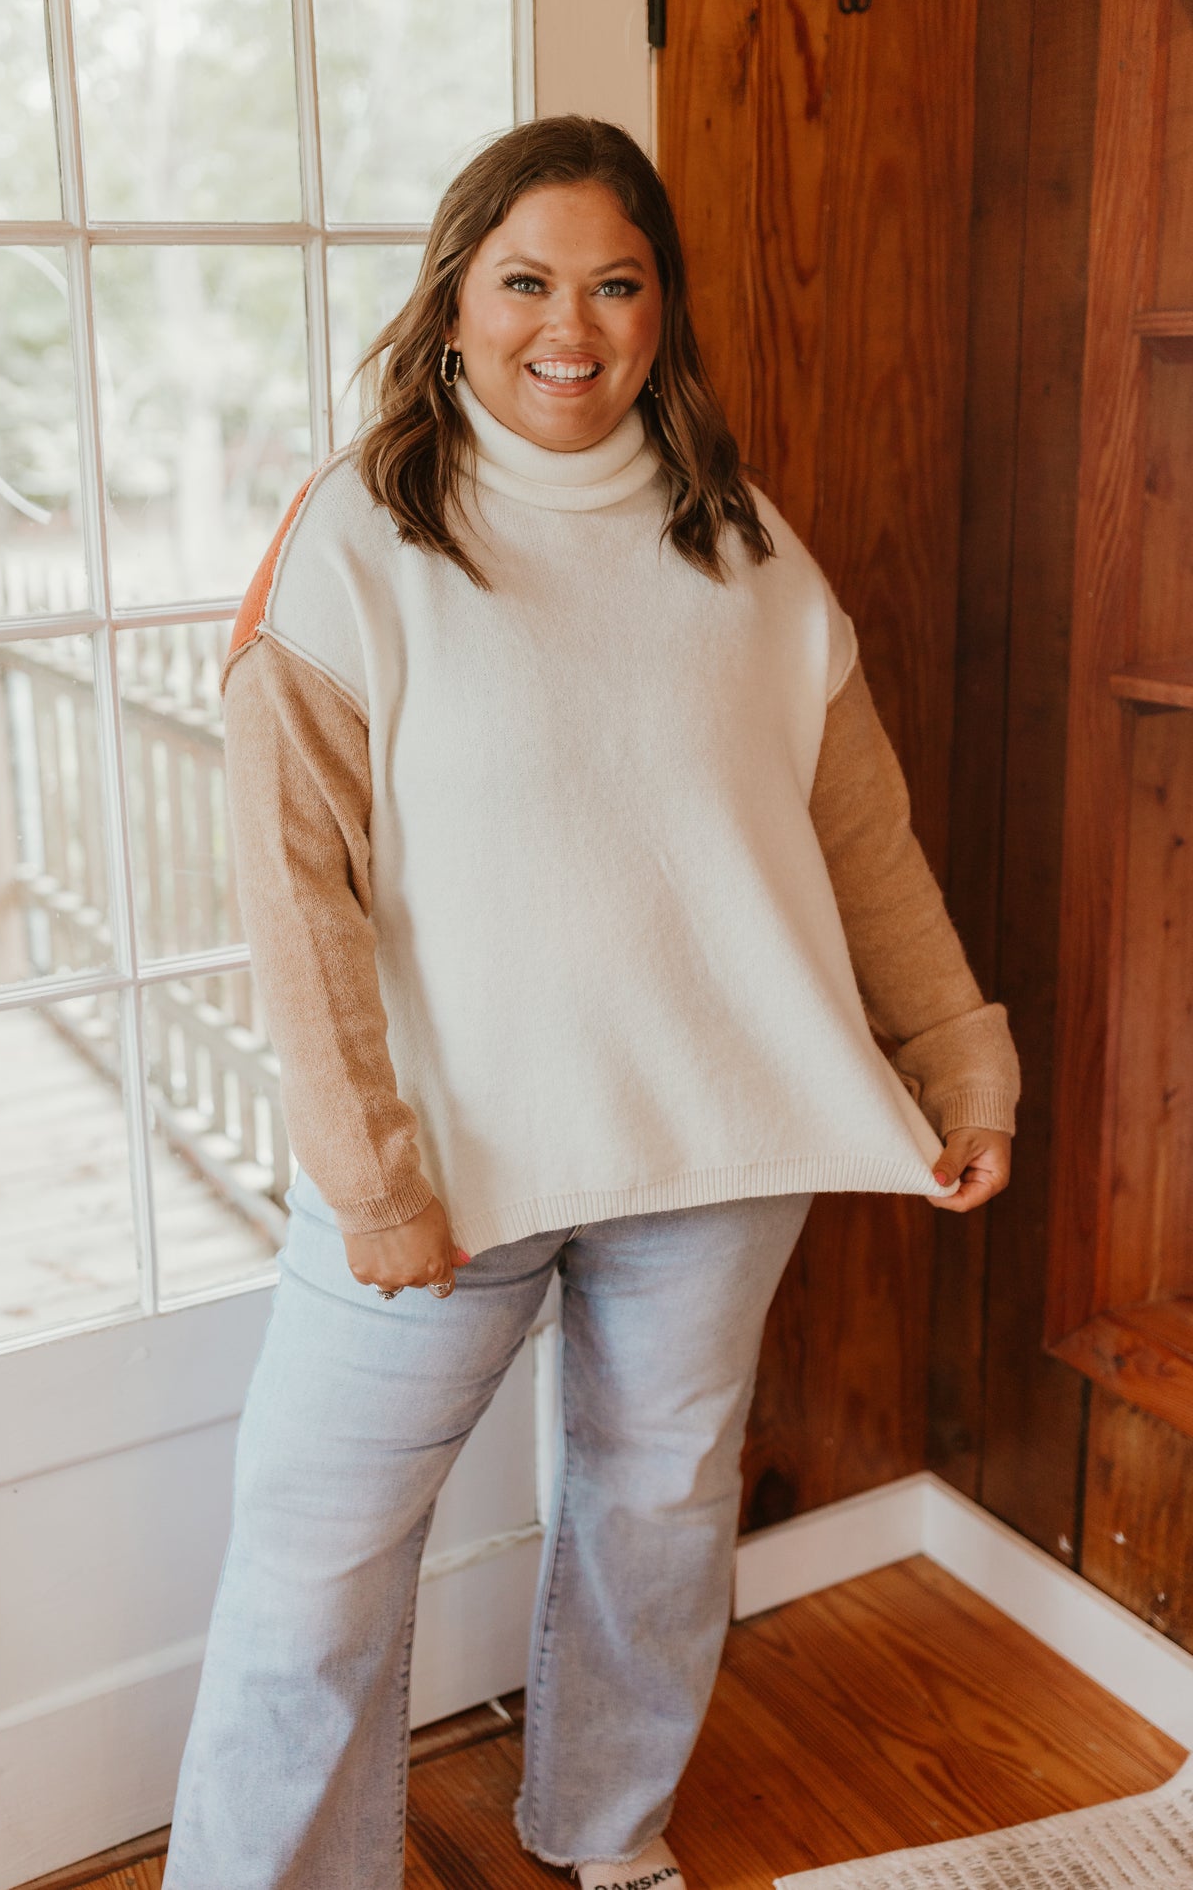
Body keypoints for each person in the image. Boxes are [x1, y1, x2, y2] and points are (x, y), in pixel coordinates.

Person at [162, 116, 1019, 1890]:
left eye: (617, 283)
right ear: (456, 307)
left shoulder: (749, 551)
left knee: (655, 1524)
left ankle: (607, 1834)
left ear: (662, 311)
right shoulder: (353, 542)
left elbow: (864, 850)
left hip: (712, 1154)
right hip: (438, 1175)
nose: (575, 324)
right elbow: (292, 897)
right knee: (312, 1568)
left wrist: (959, 1060)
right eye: (530, 282)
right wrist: (370, 1172)